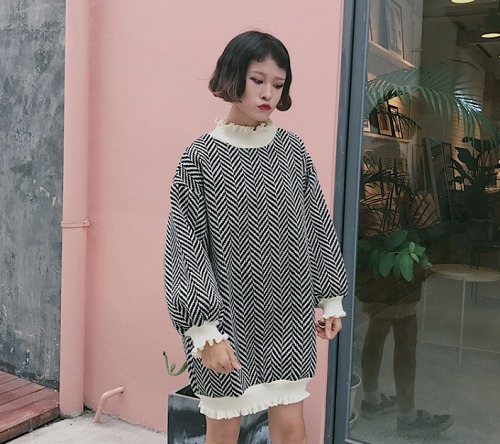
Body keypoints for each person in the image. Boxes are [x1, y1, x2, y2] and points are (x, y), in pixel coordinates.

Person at [164, 30, 348, 444]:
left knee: (292, 427)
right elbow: (185, 244)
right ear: (233, 76)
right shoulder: (200, 157)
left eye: (278, 84)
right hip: (227, 320)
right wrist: (205, 332)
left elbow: (317, 224)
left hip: (289, 315)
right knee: (223, 428)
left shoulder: (293, 151)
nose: (268, 93)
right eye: (257, 80)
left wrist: (330, 298)